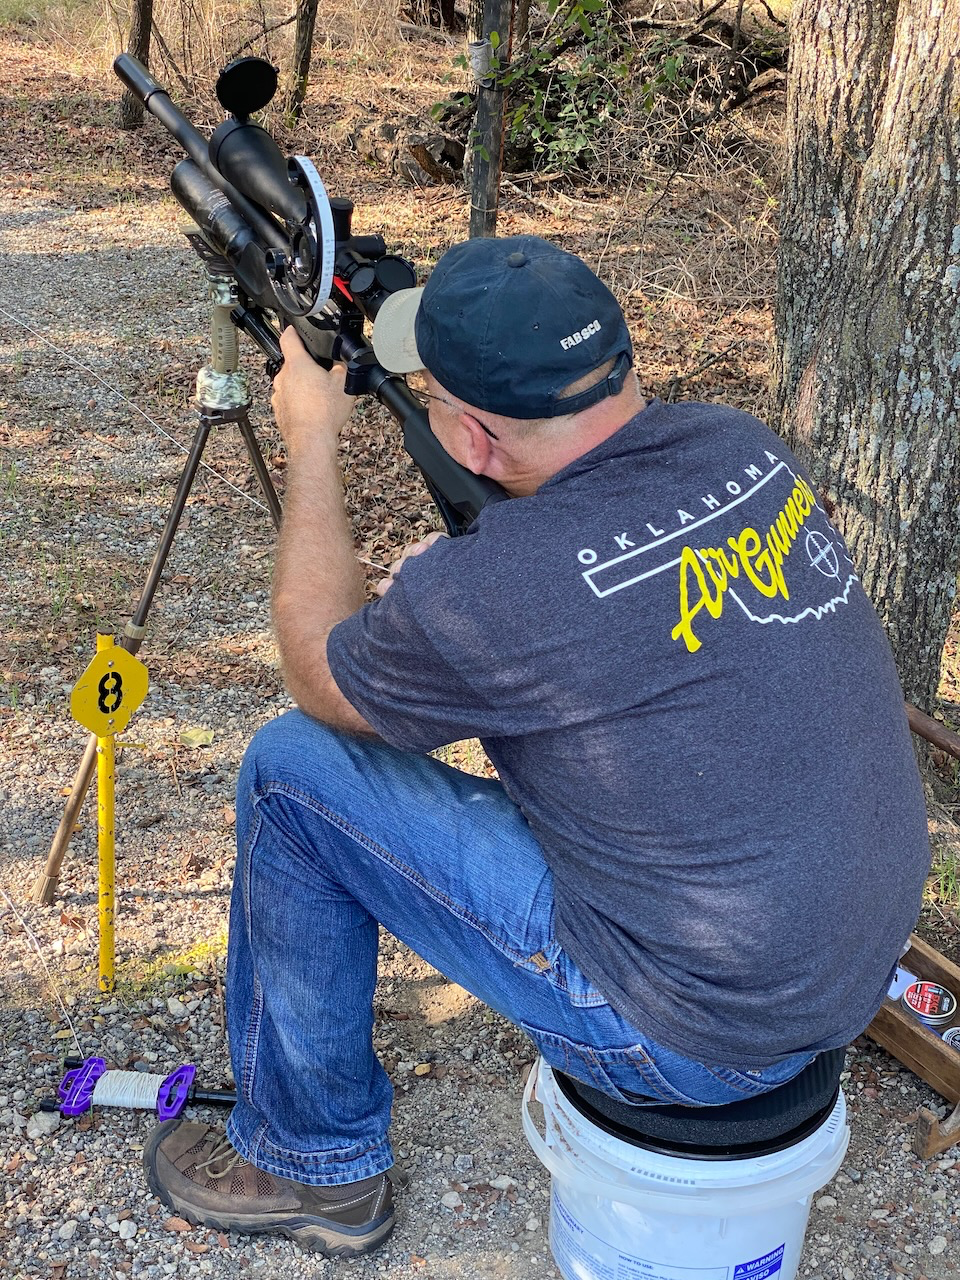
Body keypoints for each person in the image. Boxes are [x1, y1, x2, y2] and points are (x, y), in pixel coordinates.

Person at [140, 235, 930, 1256]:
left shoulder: (504, 588)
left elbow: (318, 673)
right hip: (848, 970)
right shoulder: (738, 447)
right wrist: (468, 590)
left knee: (293, 772)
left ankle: (309, 1164)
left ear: (474, 440)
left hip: (694, 1036)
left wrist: (314, 441)